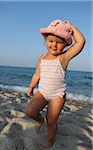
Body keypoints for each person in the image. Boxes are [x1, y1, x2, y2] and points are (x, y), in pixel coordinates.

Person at [25, 19, 85, 148]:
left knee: (51, 120)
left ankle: (50, 140)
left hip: (57, 95)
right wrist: (31, 86)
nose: (54, 45)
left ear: (66, 44)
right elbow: (37, 74)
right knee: (30, 111)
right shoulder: (41, 58)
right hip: (43, 92)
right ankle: (40, 120)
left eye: (59, 42)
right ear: (46, 41)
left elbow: (81, 42)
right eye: (51, 41)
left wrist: (71, 28)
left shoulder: (63, 57)